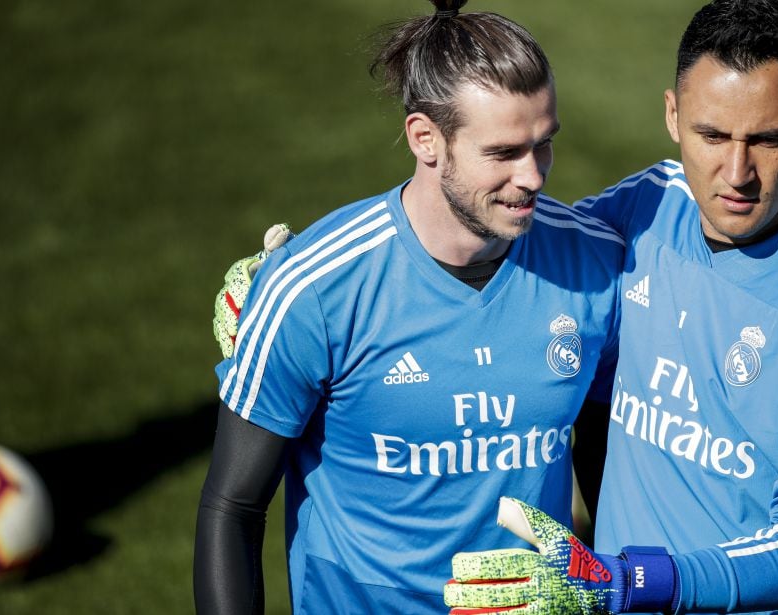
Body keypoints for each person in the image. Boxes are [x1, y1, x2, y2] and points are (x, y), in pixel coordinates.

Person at [443, 1, 778, 613]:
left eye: (770, 140)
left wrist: (638, 582)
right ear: (672, 115)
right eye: (712, 135)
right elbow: (510, 252)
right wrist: (331, 280)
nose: (738, 172)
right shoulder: (644, 208)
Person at [193, 1, 623, 613]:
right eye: (503, 153)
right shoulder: (316, 289)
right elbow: (232, 506)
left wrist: (610, 584)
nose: (533, 177)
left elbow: (605, 453)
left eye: (544, 145)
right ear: (426, 139)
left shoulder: (592, 263)